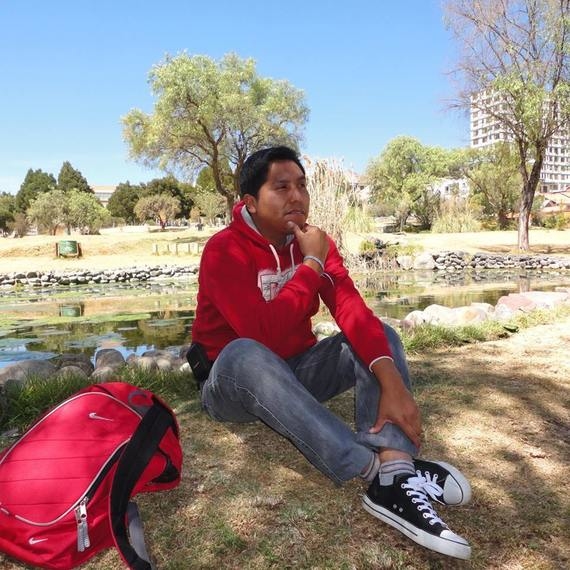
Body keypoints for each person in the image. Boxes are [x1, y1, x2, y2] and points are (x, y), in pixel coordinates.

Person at [191, 146, 472, 560]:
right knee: (245, 351)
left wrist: (391, 382)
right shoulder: (224, 249)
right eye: (281, 187)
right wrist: (310, 265)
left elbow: (351, 309)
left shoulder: (316, 242)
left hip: (295, 375)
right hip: (231, 384)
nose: (296, 196)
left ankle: (396, 468)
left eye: (302, 185)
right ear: (250, 201)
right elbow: (260, 333)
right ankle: (371, 469)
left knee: (379, 334)